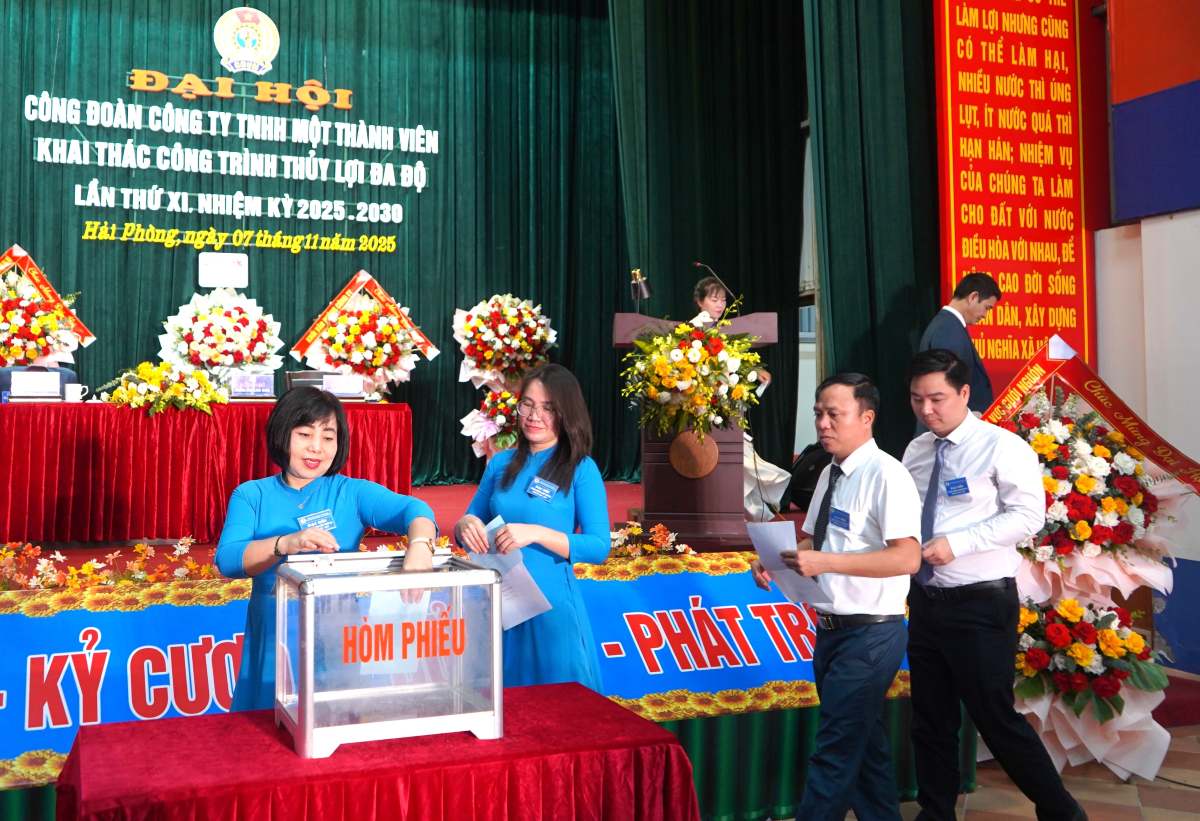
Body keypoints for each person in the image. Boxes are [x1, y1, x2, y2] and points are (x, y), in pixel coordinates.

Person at [904, 349, 1085, 821]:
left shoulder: (1001, 446)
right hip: (925, 600)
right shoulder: (917, 450)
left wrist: (958, 544)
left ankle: (1061, 811)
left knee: (995, 716)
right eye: (917, 399)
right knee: (930, 717)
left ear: (964, 393)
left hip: (980, 603)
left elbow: (1027, 516)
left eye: (937, 398)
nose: (927, 410)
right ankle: (936, 812)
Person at [752, 373, 921, 821]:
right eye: (818, 414)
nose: (823, 424)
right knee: (865, 749)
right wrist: (775, 560)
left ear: (867, 418)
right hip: (830, 630)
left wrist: (825, 562)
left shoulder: (887, 475)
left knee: (835, 750)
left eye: (834, 415)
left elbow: (907, 558)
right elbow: (816, 539)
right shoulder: (830, 471)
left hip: (871, 634)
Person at [215, 387, 437, 711]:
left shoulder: (351, 492)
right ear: (282, 434)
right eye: (305, 434)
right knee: (265, 729)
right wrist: (284, 544)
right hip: (276, 637)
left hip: (336, 636)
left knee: (337, 723)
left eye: (328, 437)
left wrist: (420, 546)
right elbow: (229, 560)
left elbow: (414, 510)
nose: (316, 447)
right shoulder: (251, 495)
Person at [454, 363, 608, 690]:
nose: (534, 416)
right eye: (527, 405)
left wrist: (535, 533)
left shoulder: (581, 468)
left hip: (550, 609)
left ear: (566, 413)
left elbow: (598, 547)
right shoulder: (500, 463)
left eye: (547, 408)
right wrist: (466, 525)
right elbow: (470, 520)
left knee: (559, 706)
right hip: (502, 605)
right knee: (505, 703)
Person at [692, 275, 790, 520]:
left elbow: (735, 363)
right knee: (724, 458)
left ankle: (744, 513)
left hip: (728, 403)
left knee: (737, 456)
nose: (720, 304)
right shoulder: (693, 330)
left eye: (723, 300)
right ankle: (728, 512)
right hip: (703, 405)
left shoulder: (727, 330)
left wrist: (754, 371)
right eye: (714, 299)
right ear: (700, 301)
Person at [917, 271, 1002, 416]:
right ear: (973, 297)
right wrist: (967, 416)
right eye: (987, 308)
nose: (985, 315)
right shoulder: (948, 329)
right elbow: (945, 385)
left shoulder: (948, 325)